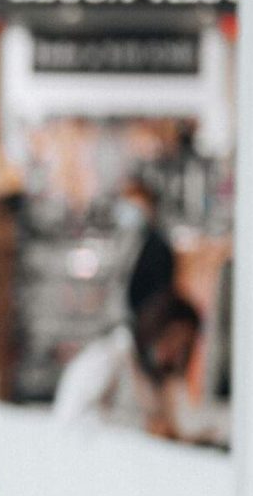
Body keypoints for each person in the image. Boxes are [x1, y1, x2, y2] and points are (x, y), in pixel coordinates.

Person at [54, 289, 203, 439]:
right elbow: (73, 421)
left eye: (182, 346)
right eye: (172, 337)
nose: (174, 350)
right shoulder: (107, 357)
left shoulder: (162, 377)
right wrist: (145, 427)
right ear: (153, 327)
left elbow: (180, 421)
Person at [117, 173, 178, 317]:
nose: (131, 213)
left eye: (137, 208)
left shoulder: (158, 248)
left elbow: (160, 291)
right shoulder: (129, 242)